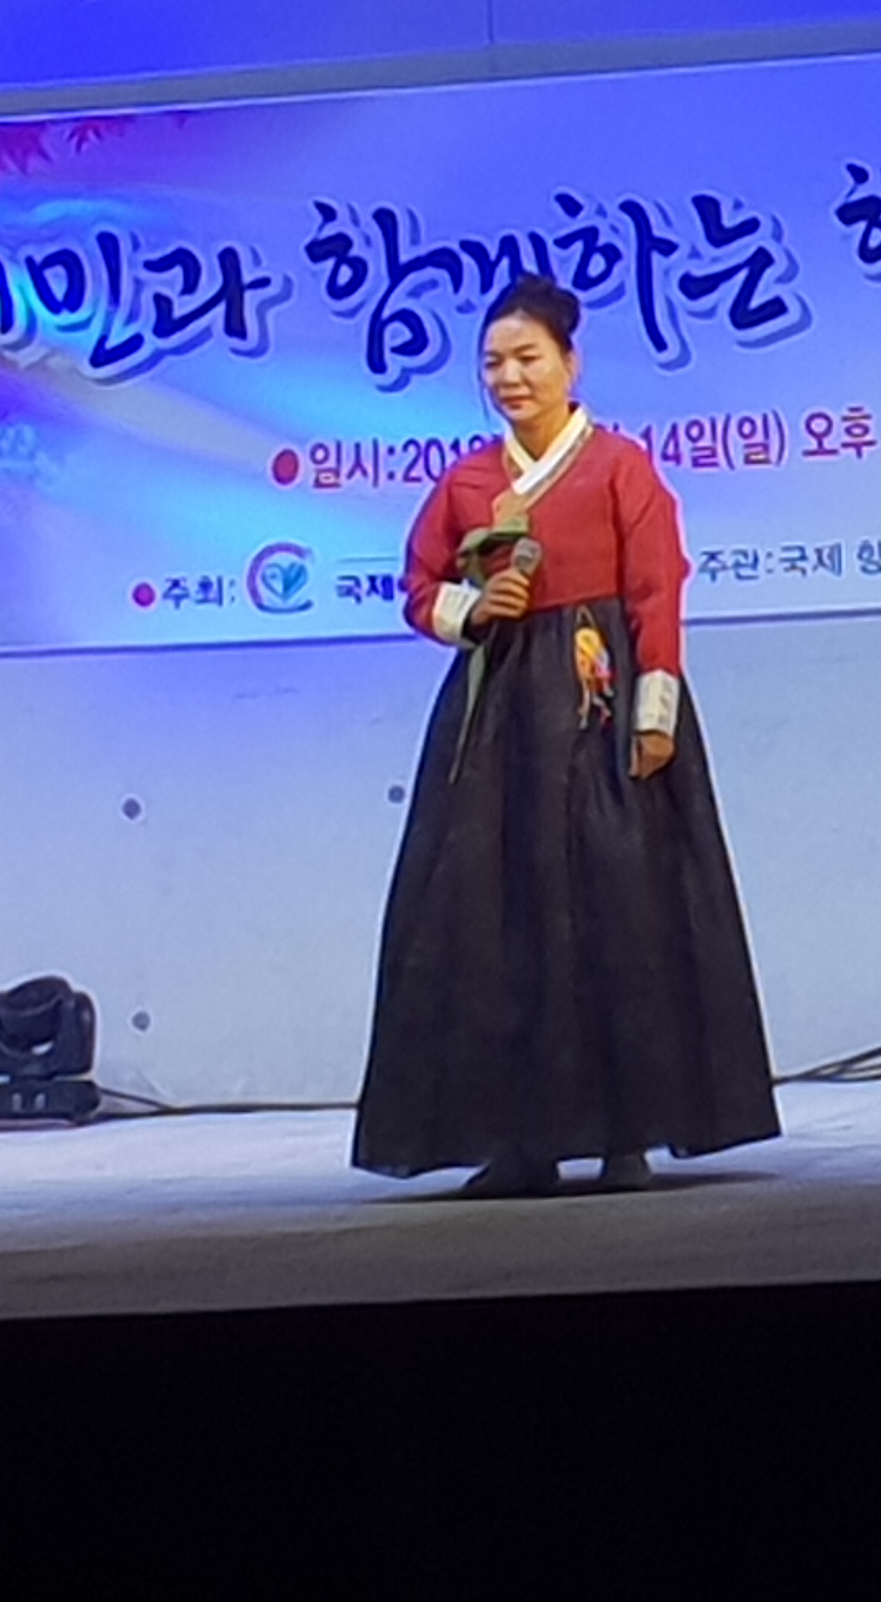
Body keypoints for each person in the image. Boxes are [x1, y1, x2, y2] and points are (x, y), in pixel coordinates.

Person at [351, 274, 782, 1195]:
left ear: (570, 364)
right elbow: (418, 588)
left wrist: (655, 717)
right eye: (493, 363)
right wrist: (477, 607)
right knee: (495, 917)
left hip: (599, 698)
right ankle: (522, 1141)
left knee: (619, 909)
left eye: (528, 358)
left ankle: (628, 1132)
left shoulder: (621, 467)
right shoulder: (469, 481)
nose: (510, 378)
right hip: (503, 716)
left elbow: (656, 590)